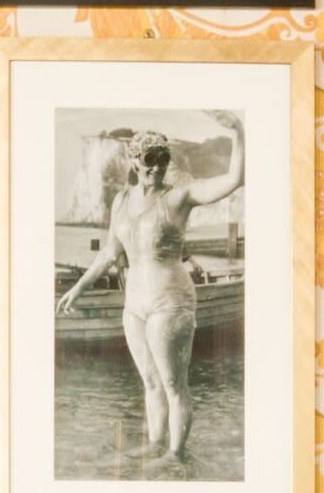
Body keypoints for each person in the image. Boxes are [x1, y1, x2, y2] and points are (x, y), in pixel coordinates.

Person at [57, 116, 246, 466]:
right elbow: (110, 252)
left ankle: (176, 455)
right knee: (150, 381)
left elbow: (234, 179)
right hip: (135, 306)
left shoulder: (179, 197)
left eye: (163, 158)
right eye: (149, 158)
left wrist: (237, 130)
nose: (158, 166)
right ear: (134, 161)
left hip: (170, 302)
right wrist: (79, 289)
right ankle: (157, 445)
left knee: (174, 383)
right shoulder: (121, 199)